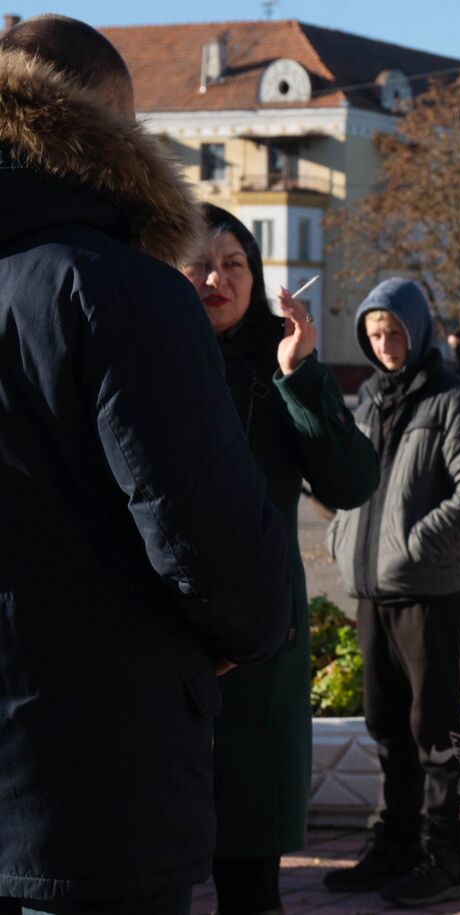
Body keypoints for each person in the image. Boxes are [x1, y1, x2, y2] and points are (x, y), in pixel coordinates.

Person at [0, 16, 292, 913]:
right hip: (91, 784)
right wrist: (247, 632)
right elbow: (203, 526)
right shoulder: (120, 289)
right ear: (115, 129)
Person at [179, 204, 380, 914]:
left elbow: (352, 482)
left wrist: (303, 376)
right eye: (200, 262)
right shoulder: (142, 355)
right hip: (160, 635)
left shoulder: (277, 362)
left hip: (261, 644)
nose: (216, 277)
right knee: (149, 857)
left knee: (248, 869)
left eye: (234, 264)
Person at [323, 278, 460, 908]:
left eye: (395, 332)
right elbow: (351, 484)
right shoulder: (370, 399)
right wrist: (345, 534)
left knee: (434, 728)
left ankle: (445, 855)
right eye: (375, 335)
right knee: (386, 726)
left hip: (428, 593)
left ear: (418, 330)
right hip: (373, 592)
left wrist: (420, 541)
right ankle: (394, 844)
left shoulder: (454, 401)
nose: (385, 345)